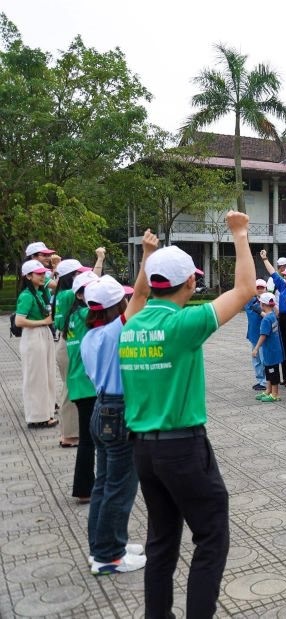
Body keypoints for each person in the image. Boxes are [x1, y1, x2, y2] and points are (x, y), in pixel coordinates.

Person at [118, 211, 256, 617]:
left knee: (161, 541)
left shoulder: (130, 325)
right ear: (191, 282)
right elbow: (246, 288)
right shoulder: (184, 324)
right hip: (182, 448)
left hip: (143, 451)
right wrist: (240, 233)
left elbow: (140, 298)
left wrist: (148, 257)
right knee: (211, 536)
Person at [81, 229, 158, 576]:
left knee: (103, 483)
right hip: (118, 411)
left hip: (101, 409)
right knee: (120, 486)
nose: (130, 302)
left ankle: (104, 545)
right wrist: (146, 254)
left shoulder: (89, 335)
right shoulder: (116, 330)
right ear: (117, 306)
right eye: (124, 301)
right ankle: (109, 556)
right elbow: (142, 292)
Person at [52, 251, 104, 447]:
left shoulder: (62, 293)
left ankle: (71, 431)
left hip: (67, 342)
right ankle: (70, 434)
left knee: (70, 386)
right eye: (78, 274)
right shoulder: (68, 295)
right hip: (71, 343)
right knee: (70, 388)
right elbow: (95, 283)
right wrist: (99, 260)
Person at [64, 270, 101, 503]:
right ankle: (85, 488)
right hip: (86, 385)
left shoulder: (74, 316)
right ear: (79, 295)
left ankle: (86, 485)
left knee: (89, 438)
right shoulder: (88, 314)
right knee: (89, 440)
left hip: (78, 383)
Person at [14, 259, 59, 428]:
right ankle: (36, 416)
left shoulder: (40, 293)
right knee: (35, 377)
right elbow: (19, 321)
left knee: (46, 374)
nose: (42, 276)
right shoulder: (26, 296)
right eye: (38, 273)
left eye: (43, 273)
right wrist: (43, 321)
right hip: (33, 336)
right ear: (28, 276)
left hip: (43, 333)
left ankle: (46, 412)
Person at [260, 249, 286, 387]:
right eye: (285, 275)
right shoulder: (283, 286)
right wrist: (265, 259)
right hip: (282, 319)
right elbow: (273, 273)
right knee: (284, 348)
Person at [252, 292, 284, 403]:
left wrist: (256, 348)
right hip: (273, 349)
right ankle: (268, 390)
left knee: (272, 372)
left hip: (271, 350)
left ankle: (275, 394)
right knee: (269, 370)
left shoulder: (266, 319)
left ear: (263, 305)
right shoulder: (273, 315)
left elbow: (263, 335)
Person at [245, 279, 268, 391]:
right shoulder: (250, 301)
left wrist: (260, 309)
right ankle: (260, 380)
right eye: (257, 288)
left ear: (266, 289)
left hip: (265, 336)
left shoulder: (269, 302)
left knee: (265, 359)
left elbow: (270, 317)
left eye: (261, 288)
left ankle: (266, 381)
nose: (259, 290)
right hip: (254, 335)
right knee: (256, 360)